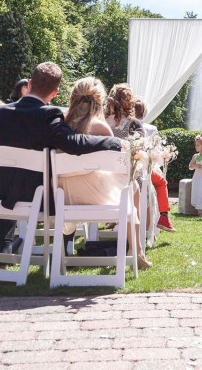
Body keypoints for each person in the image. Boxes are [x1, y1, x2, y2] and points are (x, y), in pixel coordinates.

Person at [0, 63, 124, 258]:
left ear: (29, 84)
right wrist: (114, 141)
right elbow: (73, 143)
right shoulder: (48, 114)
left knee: (10, 176)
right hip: (33, 197)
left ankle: (1, 251)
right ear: (55, 92)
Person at [59, 77, 151, 268]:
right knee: (132, 185)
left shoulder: (60, 125)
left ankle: (64, 249)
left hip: (64, 197)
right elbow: (115, 167)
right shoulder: (100, 127)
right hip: (96, 198)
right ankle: (136, 250)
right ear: (99, 101)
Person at [135, 98, 176, 232]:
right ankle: (163, 217)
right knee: (162, 182)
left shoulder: (122, 125)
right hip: (144, 171)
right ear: (144, 112)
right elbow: (156, 152)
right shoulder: (151, 128)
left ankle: (109, 221)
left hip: (124, 171)